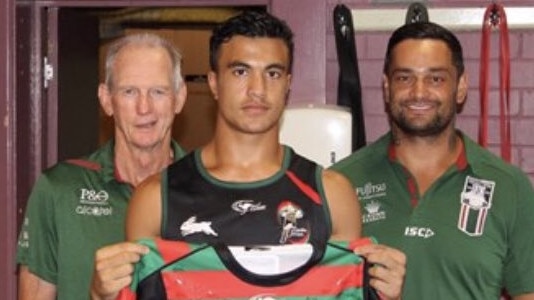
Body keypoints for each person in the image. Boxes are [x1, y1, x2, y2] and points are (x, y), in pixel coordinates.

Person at [91, 10, 405, 300]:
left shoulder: (333, 195)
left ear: (288, 85)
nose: (257, 89)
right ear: (214, 82)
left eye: (272, 73)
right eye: (241, 71)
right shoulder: (155, 198)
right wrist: (100, 295)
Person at [331, 21, 534, 299]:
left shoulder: (509, 187)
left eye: (435, 78)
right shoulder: (340, 184)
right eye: (404, 77)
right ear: (387, 87)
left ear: (460, 87)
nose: (418, 92)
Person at [16, 33, 188, 300]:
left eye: (158, 91)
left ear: (179, 98)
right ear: (107, 99)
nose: (145, 107)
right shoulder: (59, 190)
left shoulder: (209, 189)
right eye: (129, 92)